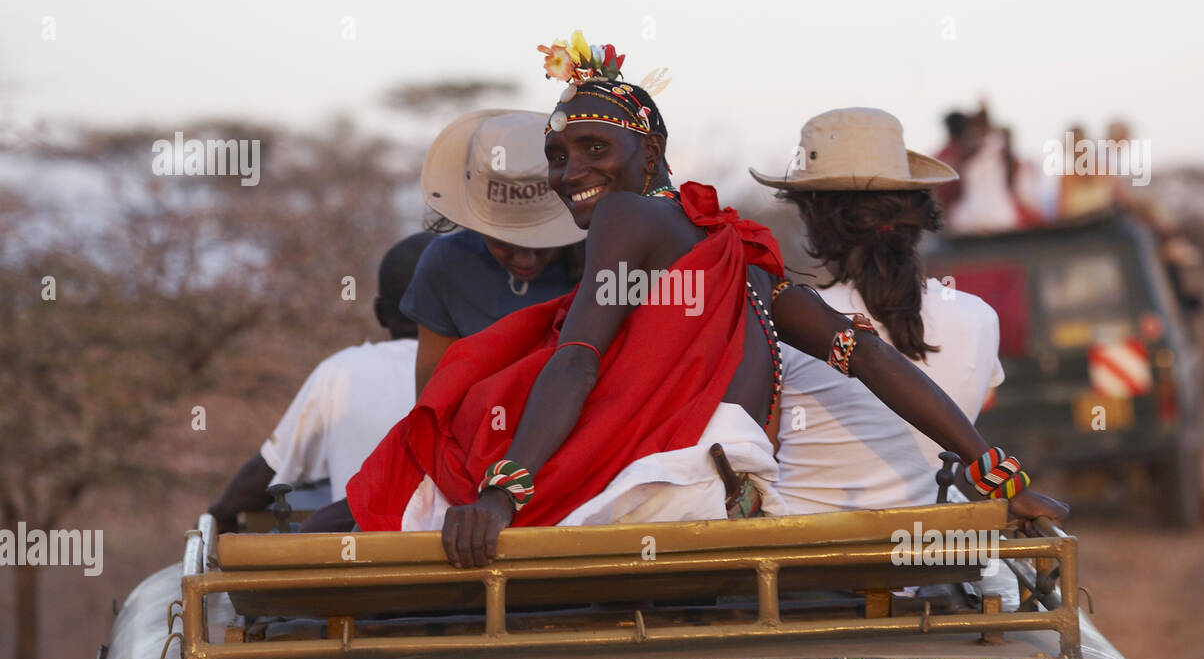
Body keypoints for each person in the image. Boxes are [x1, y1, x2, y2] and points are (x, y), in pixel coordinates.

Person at [343, 34, 1068, 566]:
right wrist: (992, 469)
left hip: (650, 487)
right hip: (731, 495)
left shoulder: (632, 219)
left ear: (652, 158)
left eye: (596, 150)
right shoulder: (739, 249)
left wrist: (503, 494)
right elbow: (863, 353)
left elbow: (577, 361)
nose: (570, 174)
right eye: (560, 156)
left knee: (369, 503)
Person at [750, 108, 1005, 513]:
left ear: (815, 217)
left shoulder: (781, 325)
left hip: (799, 562)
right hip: (921, 563)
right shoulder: (979, 317)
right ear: (917, 213)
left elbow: (760, 452)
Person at [207, 232, 435, 533]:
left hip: (365, 565)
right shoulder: (487, 369)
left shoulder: (341, 372)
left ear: (379, 313)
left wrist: (217, 517)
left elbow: (263, 474)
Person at [402, 109, 586, 395]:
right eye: (503, 243)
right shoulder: (447, 266)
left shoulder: (605, 262)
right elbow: (433, 401)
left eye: (542, 244)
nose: (525, 260)